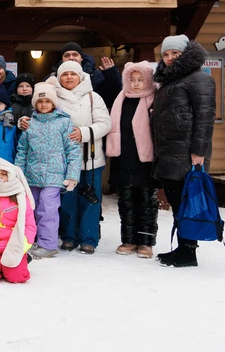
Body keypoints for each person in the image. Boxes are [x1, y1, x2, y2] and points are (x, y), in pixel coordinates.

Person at [151, 35, 216, 268]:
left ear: (185, 53)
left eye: (174, 54)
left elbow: (205, 118)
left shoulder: (198, 78)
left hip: (187, 154)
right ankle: (183, 248)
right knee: (178, 203)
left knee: (185, 203)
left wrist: (199, 152)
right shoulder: (170, 81)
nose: (169, 58)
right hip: (170, 152)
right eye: (166, 54)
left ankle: (188, 252)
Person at [43, 61, 112, 254]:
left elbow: (105, 123)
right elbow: (41, 115)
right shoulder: (54, 96)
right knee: (67, 200)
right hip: (62, 160)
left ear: (80, 76)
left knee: (90, 199)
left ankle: (88, 238)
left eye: (73, 74)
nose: (69, 78)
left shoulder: (93, 97)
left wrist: (84, 132)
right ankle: (69, 236)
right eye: (65, 74)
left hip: (90, 158)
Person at [14, 83, 80, 259]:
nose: (43, 104)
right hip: (32, 175)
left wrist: (73, 175)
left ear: (53, 103)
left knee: (47, 209)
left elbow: (73, 150)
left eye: (47, 101)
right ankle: (31, 240)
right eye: (40, 101)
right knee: (32, 208)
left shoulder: (63, 122)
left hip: (54, 174)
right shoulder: (30, 124)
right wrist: (18, 174)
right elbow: (22, 150)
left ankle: (48, 244)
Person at [107, 63, 158, 259]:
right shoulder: (121, 98)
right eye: (132, 79)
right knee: (126, 200)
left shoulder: (154, 98)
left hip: (146, 159)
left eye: (140, 80)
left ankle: (145, 242)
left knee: (146, 201)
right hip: (123, 156)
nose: (136, 84)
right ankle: (129, 239)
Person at [48, 42, 121, 108]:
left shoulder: (96, 76)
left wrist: (112, 75)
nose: (71, 58)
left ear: (81, 58)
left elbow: (115, 97)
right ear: (62, 59)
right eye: (67, 55)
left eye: (75, 54)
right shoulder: (52, 78)